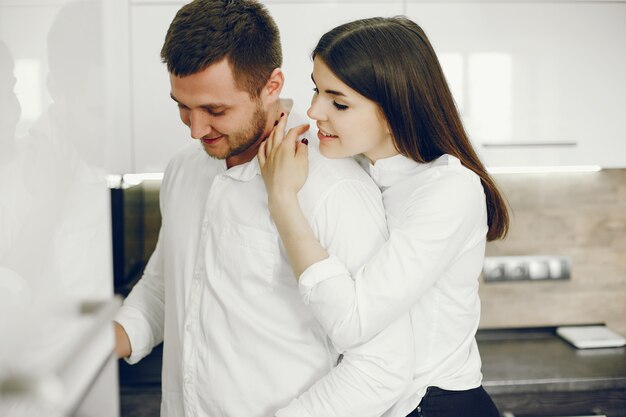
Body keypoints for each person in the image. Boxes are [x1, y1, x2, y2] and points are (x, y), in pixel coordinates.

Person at [114, 2, 415, 417]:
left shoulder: (334, 186)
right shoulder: (184, 168)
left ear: (271, 85)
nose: (196, 128)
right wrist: (114, 336)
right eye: (182, 106)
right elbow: (168, 284)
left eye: (215, 111)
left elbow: (382, 365)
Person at [258, 16, 510, 417]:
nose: (315, 110)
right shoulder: (360, 167)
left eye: (338, 102)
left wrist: (282, 201)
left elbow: (353, 322)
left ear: (395, 108)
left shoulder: (449, 191)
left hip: (437, 406)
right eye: (316, 89)